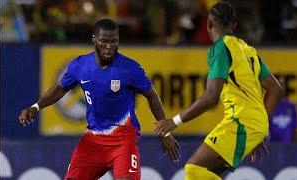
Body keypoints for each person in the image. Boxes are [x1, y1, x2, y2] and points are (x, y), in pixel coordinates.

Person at [18, 18, 180, 180]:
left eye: (114, 41)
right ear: (94, 40)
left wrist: (164, 133)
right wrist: (35, 107)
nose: (109, 47)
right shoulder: (80, 65)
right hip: (93, 141)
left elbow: (152, 96)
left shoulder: (130, 68)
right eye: (104, 41)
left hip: (123, 142)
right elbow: (60, 89)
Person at [155, 2, 282, 180]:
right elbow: (275, 89)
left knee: (194, 170)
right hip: (252, 124)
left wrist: (174, 121)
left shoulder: (221, 48)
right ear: (234, 24)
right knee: (206, 174)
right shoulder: (247, 50)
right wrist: (260, 126)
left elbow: (211, 97)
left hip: (241, 122)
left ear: (209, 24)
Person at [269, 77, 297, 143]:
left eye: (282, 85)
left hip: (288, 148)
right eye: (278, 86)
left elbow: (295, 130)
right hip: (272, 147)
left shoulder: (291, 107)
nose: (280, 89)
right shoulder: (269, 106)